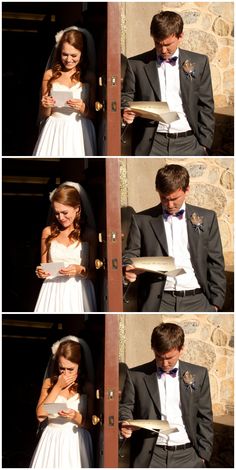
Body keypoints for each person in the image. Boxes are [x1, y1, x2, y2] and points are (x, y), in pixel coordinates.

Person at [123, 164, 226, 312]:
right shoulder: (141, 220)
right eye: (164, 199)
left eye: (174, 199)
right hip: (159, 302)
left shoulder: (208, 218)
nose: (169, 205)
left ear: (187, 190)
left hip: (198, 300)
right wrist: (128, 267)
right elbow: (130, 254)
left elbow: (215, 261)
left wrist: (216, 303)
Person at [119, 322, 214, 468]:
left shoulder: (199, 374)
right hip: (151, 456)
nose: (164, 363)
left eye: (170, 358)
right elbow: (126, 406)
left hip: (189, 456)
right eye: (159, 356)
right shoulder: (135, 375)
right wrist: (125, 421)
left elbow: (205, 417)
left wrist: (203, 455)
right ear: (153, 348)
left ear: (181, 349)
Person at [122, 11, 215, 156]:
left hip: (190, 142)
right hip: (151, 144)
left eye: (167, 44)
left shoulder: (200, 62)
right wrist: (125, 110)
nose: (163, 50)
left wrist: (204, 143)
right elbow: (126, 96)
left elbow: (206, 105)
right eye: (158, 44)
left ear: (180, 36)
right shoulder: (135, 64)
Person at [30, 336, 94, 468]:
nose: (65, 373)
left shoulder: (87, 387)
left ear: (79, 366)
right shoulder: (49, 383)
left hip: (76, 441)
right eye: (61, 368)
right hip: (51, 439)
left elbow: (91, 424)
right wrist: (57, 387)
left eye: (70, 369)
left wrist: (75, 416)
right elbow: (40, 415)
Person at [33, 26, 97, 156]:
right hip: (54, 128)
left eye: (74, 55)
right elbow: (45, 114)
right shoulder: (49, 75)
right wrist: (46, 105)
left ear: (82, 54)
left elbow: (95, 115)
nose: (68, 60)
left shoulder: (89, 77)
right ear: (59, 52)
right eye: (64, 54)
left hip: (79, 129)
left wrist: (82, 107)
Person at [35, 181, 97, 312]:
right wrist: (41, 272)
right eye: (57, 213)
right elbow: (44, 266)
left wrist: (80, 270)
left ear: (77, 209)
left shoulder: (89, 234)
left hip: (79, 290)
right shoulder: (48, 232)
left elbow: (95, 274)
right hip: (52, 289)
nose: (60, 217)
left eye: (64, 212)